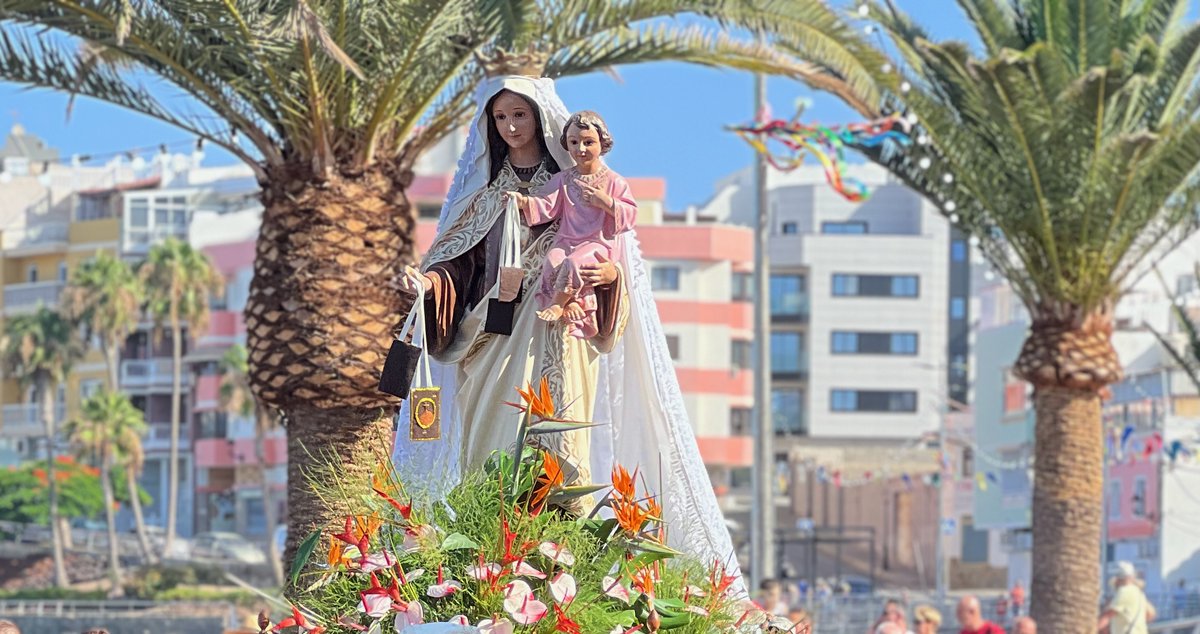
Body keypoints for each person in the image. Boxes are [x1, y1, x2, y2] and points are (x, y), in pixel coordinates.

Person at [392, 65, 741, 591]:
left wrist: (610, 276)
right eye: (502, 116)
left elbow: (617, 256)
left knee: (563, 452)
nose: (511, 126)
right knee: (494, 450)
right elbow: (455, 267)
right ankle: (494, 568)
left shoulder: (581, 186)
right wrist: (429, 286)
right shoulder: (484, 196)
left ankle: (559, 570)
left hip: (565, 334)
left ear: (541, 119)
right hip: (494, 339)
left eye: (521, 114)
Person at [512, 110, 637, 336]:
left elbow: (630, 215)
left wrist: (606, 202)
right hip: (567, 239)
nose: (580, 149)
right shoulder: (564, 180)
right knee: (553, 260)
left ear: (603, 143)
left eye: (588, 142)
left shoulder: (614, 182)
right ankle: (573, 303)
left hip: (597, 244)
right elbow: (546, 205)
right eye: (574, 142)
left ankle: (559, 304)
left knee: (574, 263)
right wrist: (524, 202)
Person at [1098, 561, 1155, 634]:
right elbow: (1151, 614)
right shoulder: (1138, 593)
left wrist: (1090, 630)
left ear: (1118, 580)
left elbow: (1108, 616)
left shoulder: (1124, 591)